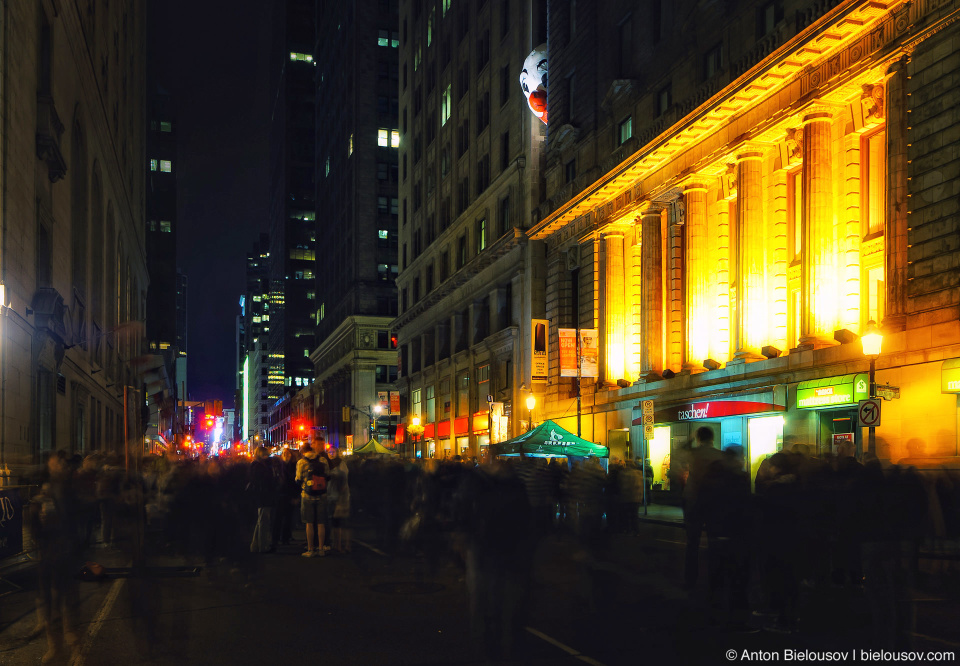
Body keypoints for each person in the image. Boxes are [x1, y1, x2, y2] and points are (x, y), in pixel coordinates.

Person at [682, 426, 722, 589]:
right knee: (714, 541)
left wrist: (691, 437)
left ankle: (691, 578)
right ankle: (715, 579)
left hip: (693, 501)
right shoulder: (719, 455)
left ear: (699, 439)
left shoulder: (693, 454)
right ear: (712, 439)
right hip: (714, 502)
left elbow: (681, 449)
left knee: (692, 542)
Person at [296, 436, 330, 557]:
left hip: (307, 495)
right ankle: (321, 548)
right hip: (322, 494)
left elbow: (298, 479)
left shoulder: (301, 462)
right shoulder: (323, 460)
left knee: (309, 523)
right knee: (321, 523)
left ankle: (310, 549)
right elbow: (327, 475)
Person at [248, 446, 277, 553]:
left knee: (261, 521)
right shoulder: (260, 466)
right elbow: (263, 481)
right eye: (265, 454)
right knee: (263, 521)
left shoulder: (258, 465)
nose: (267, 456)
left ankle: (255, 546)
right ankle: (262, 546)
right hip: (264, 495)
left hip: (262, 496)